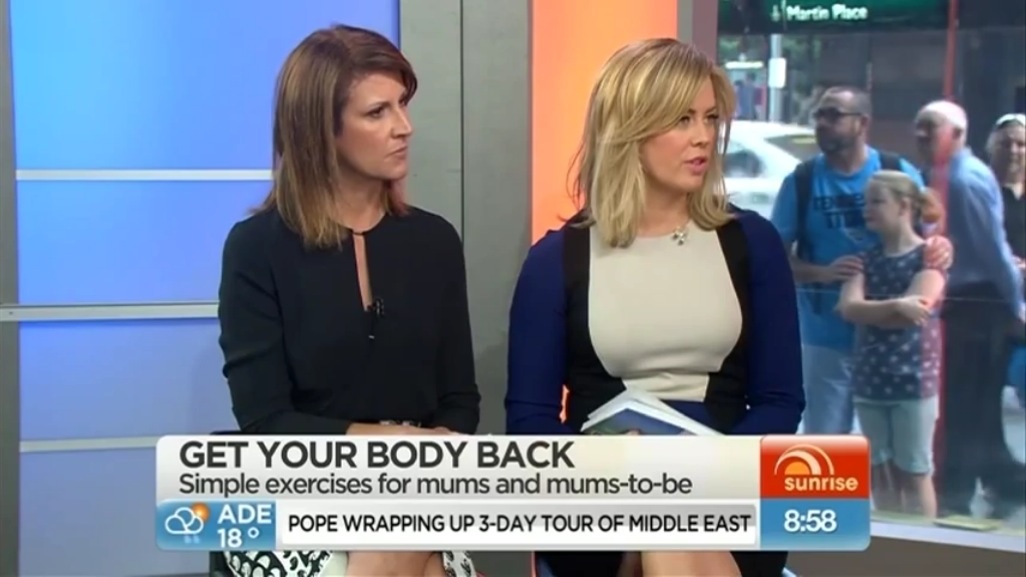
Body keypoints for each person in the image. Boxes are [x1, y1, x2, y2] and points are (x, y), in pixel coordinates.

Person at [505, 38, 803, 577]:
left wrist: (704, 474)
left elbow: (780, 400)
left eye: (710, 118)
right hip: (597, 498)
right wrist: (613, 474)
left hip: (731, 485)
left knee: (672, 523)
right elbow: (530, 422)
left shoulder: (752, 243)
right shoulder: (556, 261)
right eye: (682, 119)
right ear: (630, 129)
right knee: (662, 521)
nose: (704, 137)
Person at [216, 25, 479, 577]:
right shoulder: (257, 248)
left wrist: (418, 457)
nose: (404, 127)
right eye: (377, 112)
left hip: (415, 484)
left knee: (398, 539)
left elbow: (459, 400)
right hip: (295, 485)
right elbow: (264, 420)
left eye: (403, 105)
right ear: (321, 131)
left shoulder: (434, 242)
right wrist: (382, 443)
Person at [770, 86, 951, 436]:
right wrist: (820, 272)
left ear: (862, 123)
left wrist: (942, 246)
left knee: (892, 451)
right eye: (819, 115)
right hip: (827, 337)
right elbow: (772, 259)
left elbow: (929, 233)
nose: (823, 123)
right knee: (828, 446)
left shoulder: (896, 170)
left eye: (834, 115)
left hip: (895, 341)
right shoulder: (802, 181)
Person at [914, 101, 1026, 519]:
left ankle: (956, 492)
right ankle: (1003, 480)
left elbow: (994, 251)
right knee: (972, 403)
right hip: (961, 304)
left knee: (966, 404)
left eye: (931, 128)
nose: (921, 136)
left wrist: (1016, 304)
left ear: (957, 135)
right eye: (919, 127)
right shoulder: (939, 175)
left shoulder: (966, 179)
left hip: (979, 304)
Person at [838, 171, 947, 518]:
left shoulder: (928, 257)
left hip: (913, 382)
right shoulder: (865, 259)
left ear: (904, 207)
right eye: (866, 202)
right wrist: (897, 304)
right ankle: (893, 538)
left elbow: (917, 311)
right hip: (870, 380)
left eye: (877, 201)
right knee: (879, 470)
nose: (867, 209)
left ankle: (924, 543)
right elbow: (848, 308)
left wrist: (876, 311)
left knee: (914, 469)